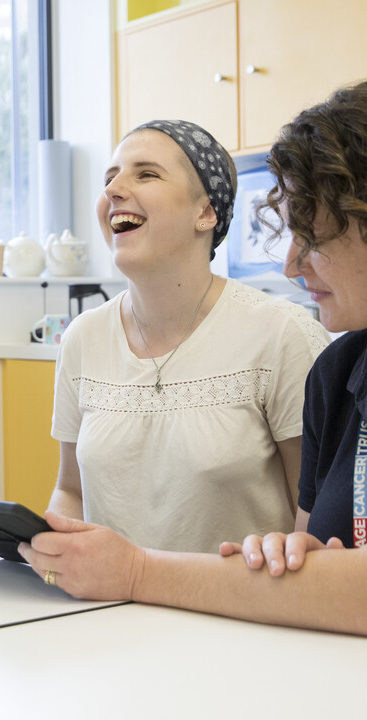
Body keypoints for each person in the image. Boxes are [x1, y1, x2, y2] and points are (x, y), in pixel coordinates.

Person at [20, 78, 367, 639]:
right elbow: (317, 548)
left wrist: (133, 571)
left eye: (316, 235)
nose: (291, 267)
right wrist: (292, 556)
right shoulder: (342, 372)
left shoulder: (283, 336)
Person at [49, 119, 329, 554]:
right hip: (106, 613)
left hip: (235, 613)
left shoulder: (282, 336)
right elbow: (71, 492)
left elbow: (311, 524)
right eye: (109, 178)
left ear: (206, 212)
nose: (114, 190)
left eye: (146, 173)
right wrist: (50, 563)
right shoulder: (83, 338)